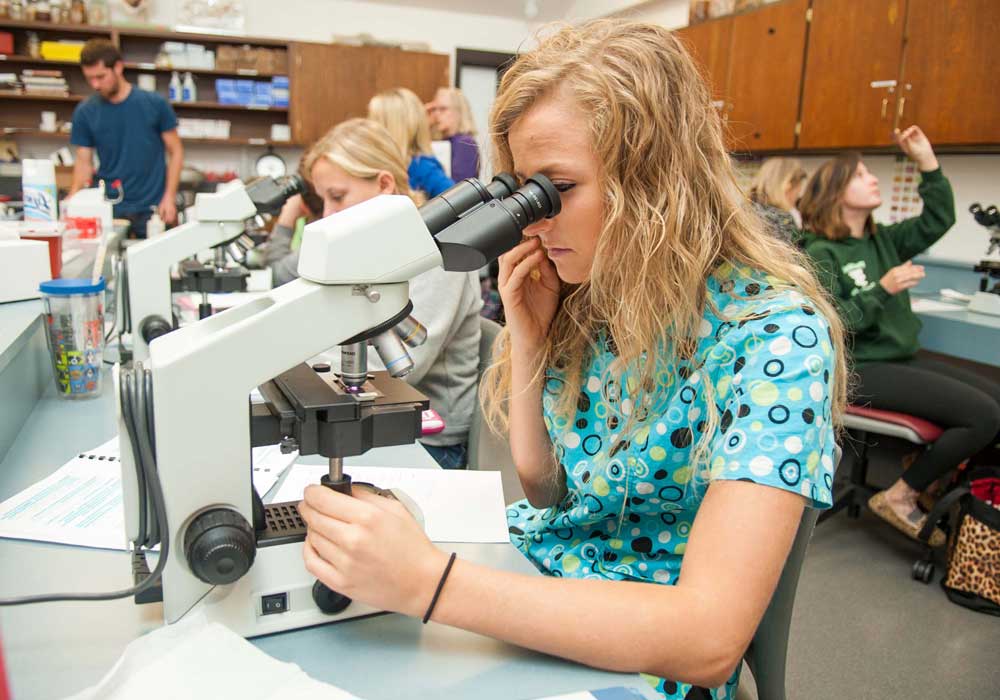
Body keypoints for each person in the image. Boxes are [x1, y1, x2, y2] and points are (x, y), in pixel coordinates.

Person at [297, 21, 846, 700]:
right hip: (546, 579)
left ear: (656, 182)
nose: (533, 222)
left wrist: (429, 583)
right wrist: (530, 337)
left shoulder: (774, 337)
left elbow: (707, 639)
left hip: (640, 652)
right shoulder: (598, 293)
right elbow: (547, 490)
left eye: (558, 188)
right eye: (524, 192)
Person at [799, 126, 1000, 546]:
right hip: (860, 368)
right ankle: (902, 493)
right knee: (983, 416)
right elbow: (833, 325)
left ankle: (931, 478)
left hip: (899, 359)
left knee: (996, 399)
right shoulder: (819, 252)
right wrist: (883, 289)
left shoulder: (883, 241)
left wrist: (926, 160)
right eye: (860, 175)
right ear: (834, 192)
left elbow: (938, 218)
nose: (873, 179)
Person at [298, 118, 481, 469]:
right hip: (368, 422)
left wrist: (293, 359)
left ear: (384, 184)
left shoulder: (438, 256)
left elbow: (393, 372)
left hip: (429, 442)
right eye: (323, 200)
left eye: (337, 197)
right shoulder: (370, 246)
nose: (327, 214)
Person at [69, 39, 182, 238]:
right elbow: (83, 162)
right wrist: (72, 201)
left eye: (100, 77)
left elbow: (176, 151)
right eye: (90, 78)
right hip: (109, 207)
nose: (95, 84)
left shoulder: (154, 104)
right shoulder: (85, 112)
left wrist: (169, 197)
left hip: (152, 207)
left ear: (118, 67)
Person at [368, 87, 454, 198]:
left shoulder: (423, 169)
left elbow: (458, 201)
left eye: (375, 121)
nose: (369, 127)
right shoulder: (371, 165)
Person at [427, 87, 481, 181]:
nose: (436, 114)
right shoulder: (442, 140)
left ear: (459, 112)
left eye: (443, 109)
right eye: (434, 109)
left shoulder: (465, 143)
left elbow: (460, 185)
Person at [748, 157, 807, 243]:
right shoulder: (782, 219)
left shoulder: (744, 210)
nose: (797, 198)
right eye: (797, 192)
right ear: (788, 186)